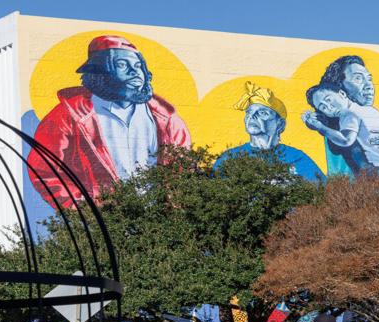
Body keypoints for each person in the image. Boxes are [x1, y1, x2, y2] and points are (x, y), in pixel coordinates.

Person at [26, 35, 192, 206]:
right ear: (99, 71)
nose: (134, 71)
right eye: (122, 64)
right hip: (104, 225)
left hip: (157, 224)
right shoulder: (68, 115)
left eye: (138, 65)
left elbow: (184, 170)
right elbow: (43, 169)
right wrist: (84, 208)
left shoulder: (167, 119)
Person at [213, 82, 325, 182]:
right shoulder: (230, 158)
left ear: (280, 124)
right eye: (249, 112)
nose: (252, 116)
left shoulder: (296, 157)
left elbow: (323, 191)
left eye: (263, 113)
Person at [301, 84, 379, 171]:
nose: (329, 107)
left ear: (342, 93)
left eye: (328, 100)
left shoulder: (348, 114)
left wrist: (320, 127)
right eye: (323, 107)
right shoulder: (370, 110)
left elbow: (345, 140)